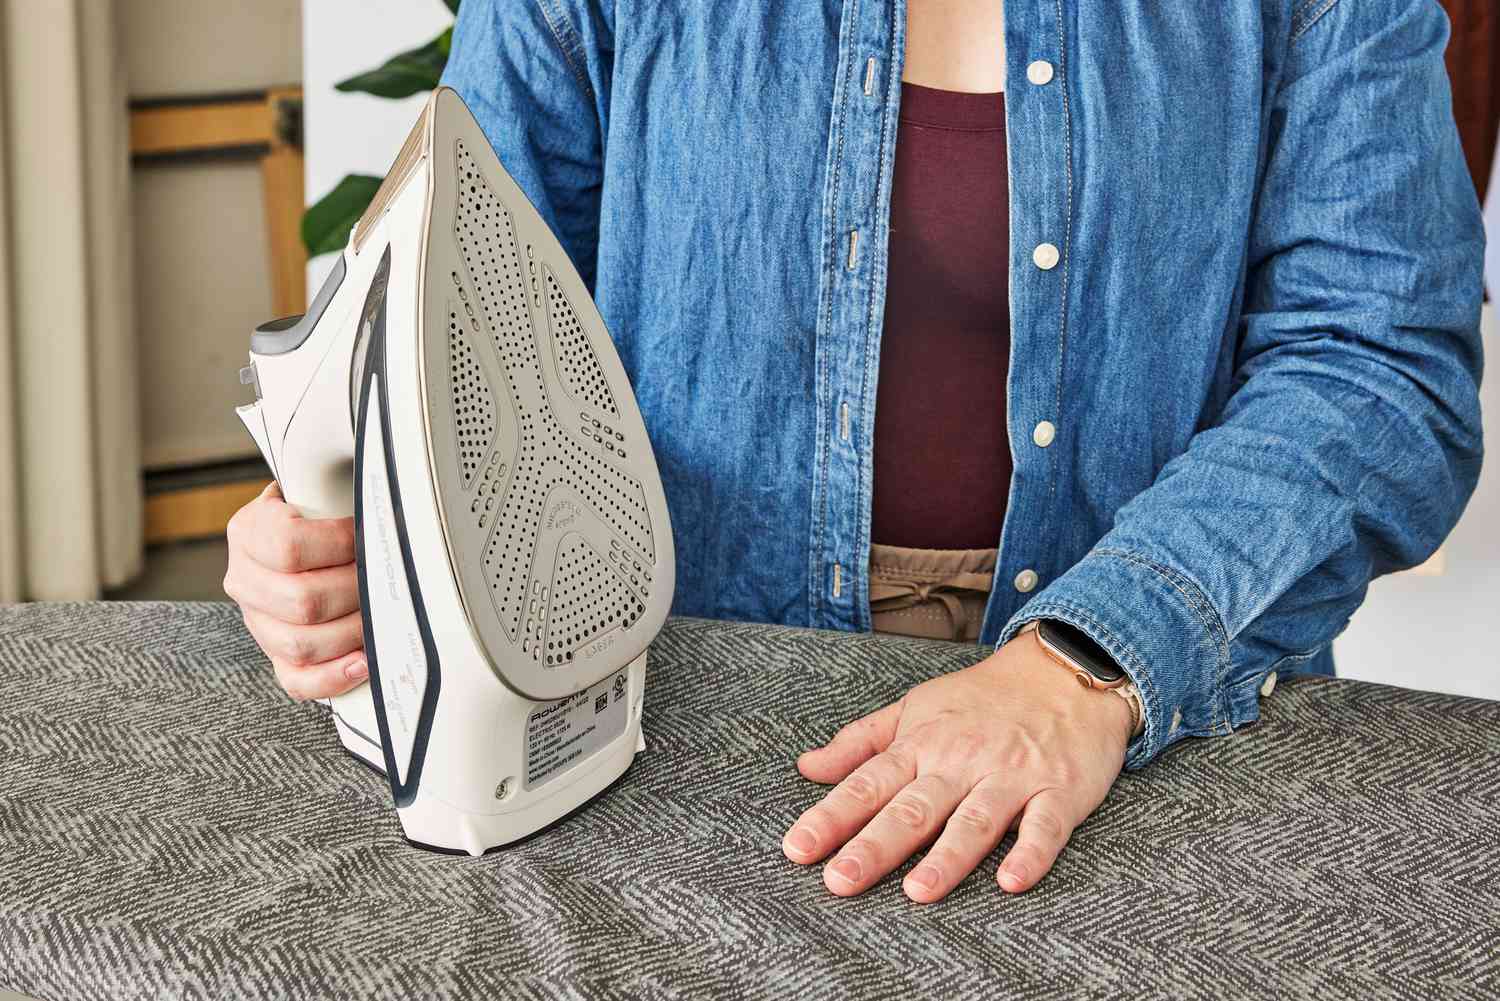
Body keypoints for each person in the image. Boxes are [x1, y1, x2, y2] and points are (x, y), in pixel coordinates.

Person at [223, 0, 1486, 903]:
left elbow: (1379, 366)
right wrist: (331, 518)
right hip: (673, 714)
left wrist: (1091, 666)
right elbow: (463, 311)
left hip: (1150, 707)